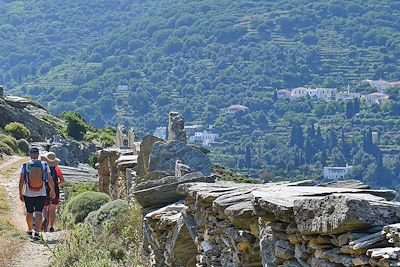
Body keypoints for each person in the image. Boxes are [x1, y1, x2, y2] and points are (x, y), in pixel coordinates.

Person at [19, 147, 55, 240]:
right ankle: (37, 233)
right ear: (38, 154)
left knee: (29, 212)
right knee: (38, 212)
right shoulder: (44, 165)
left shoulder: (25, 165)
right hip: (41, 192)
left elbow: (21, 180)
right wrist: (52, 190)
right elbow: (50, 179)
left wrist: (20, 193)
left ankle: (30, 230)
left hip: (28, 193)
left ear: (30, 154)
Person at [41, 152, 64, 232]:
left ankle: (45, 226)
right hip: (56, 190)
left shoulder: (43, 168)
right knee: (52, 209)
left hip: (45, 190)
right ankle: (51, 227)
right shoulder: (57, 169)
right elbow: (62, 180)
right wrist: (55, 185)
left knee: (45, 208)